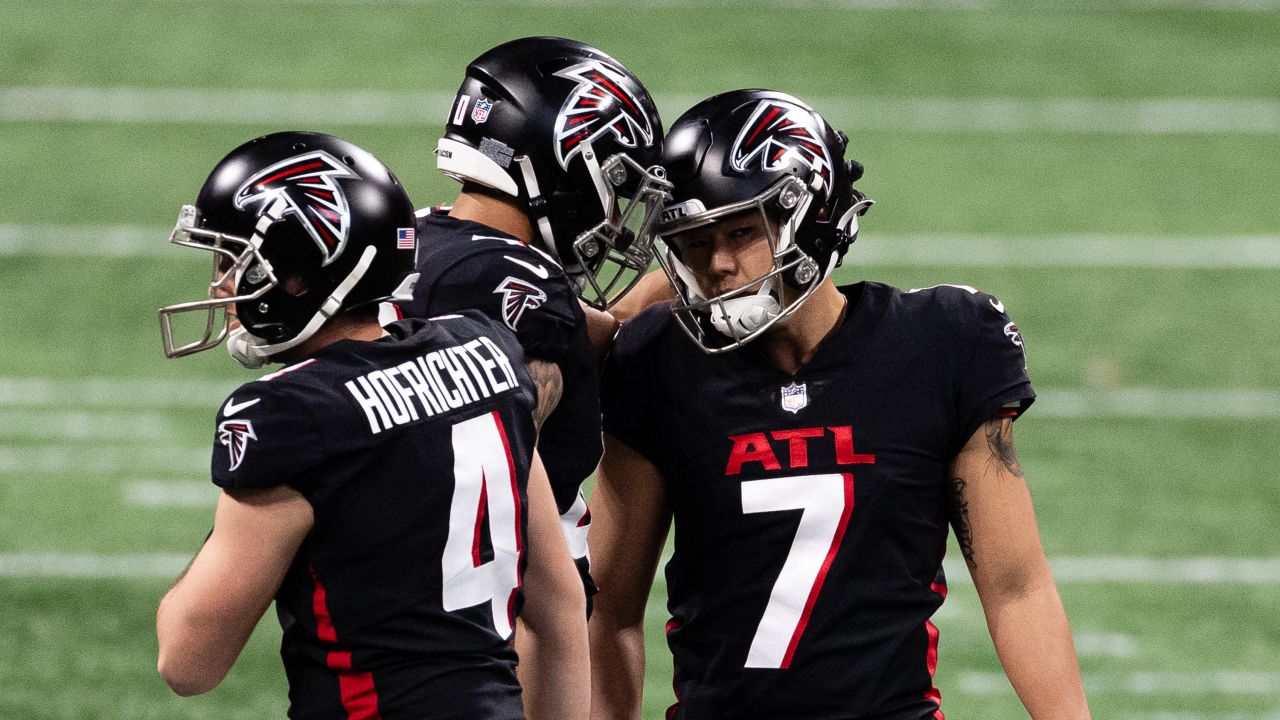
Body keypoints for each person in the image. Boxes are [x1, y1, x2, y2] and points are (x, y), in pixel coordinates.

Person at [588, 91, 1091, 719]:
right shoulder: (658, 361)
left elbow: (1016, 589)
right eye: (693, 241)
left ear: (816, 215)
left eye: (742, 232)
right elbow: (609, 613)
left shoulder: (942, 345)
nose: (715, 264)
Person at [154, 131, 587, 720]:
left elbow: (187, 661)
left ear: (301, 275)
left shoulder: (288, 415)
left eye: (237, 262)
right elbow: (559, 609)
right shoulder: (489, 351)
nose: (222, 287)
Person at [395, 36, 670, 614]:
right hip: (494, 608)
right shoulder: (523, 282)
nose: (619, 216)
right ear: (564, 162)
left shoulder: (412, 236)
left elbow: (580, 332)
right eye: (619, 187)